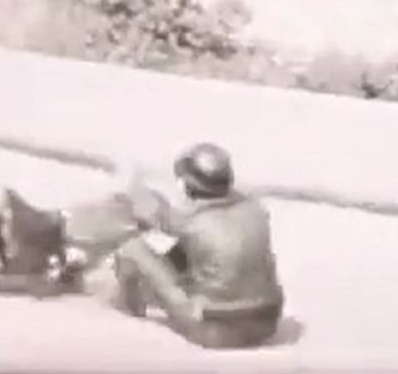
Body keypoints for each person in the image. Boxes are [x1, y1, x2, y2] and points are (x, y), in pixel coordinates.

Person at [112, 142, 285, 350]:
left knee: (133, 249)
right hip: (266, 321)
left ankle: (126, 309)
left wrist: (135, 192)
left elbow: (156, 217)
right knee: (196, 254)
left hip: (215, 328)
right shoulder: (254, 207)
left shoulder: (192, 220)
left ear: (190, 182)